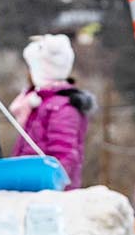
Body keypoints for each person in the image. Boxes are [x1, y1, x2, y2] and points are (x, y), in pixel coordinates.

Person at [10, 34, 94, 188]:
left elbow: (64, 154)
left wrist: (53, 183)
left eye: (30, 68)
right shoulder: (38, 103)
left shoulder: (62, 108)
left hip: (50, 190)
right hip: (31, 185)